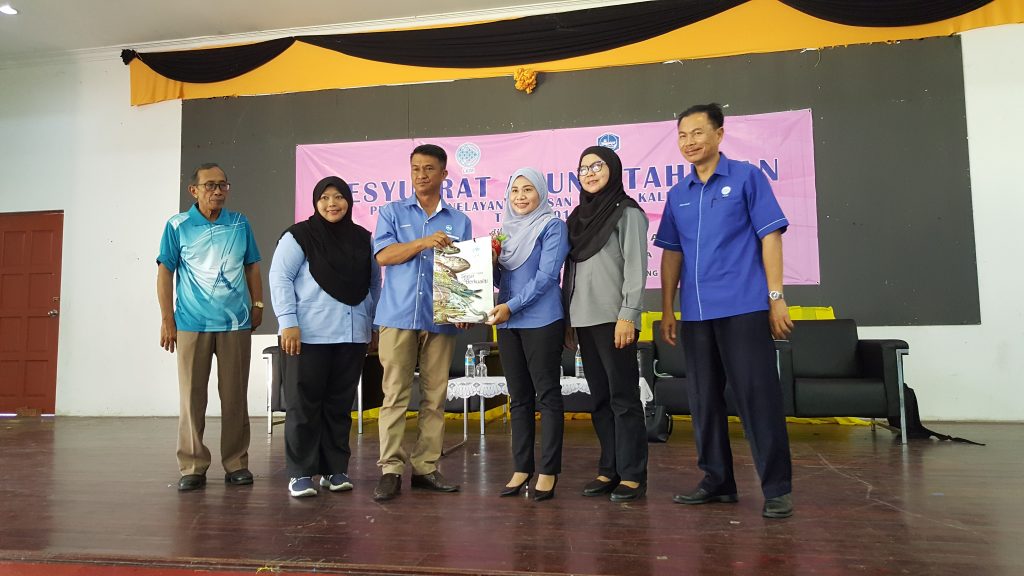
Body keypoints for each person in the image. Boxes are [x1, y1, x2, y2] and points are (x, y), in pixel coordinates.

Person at [655, 103, 795, 519]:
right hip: (696, 315)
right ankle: (717, 481)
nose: (689, 142)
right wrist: (667, 310)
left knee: (757, 397)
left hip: (743, 307)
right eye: (683, 135)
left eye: (698, 132)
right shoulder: (678, 194)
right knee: (703, 401)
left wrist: (776, 297)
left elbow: (771, 237)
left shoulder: (747, 177)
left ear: (719, 134)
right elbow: (671, 255)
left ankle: (776, 488)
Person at [371, 144, 473, 501]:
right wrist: (424, 242)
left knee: (434, 397)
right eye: (415, 168)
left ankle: (426, 467)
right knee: (394, 395)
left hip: (441, 319)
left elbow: (464, 269)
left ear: (444, 174)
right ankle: (390, 469)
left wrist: (463, 309)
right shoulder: (392, 212)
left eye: (429, 168)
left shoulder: (460, 220)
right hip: (397, 315)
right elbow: (384, 255)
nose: (421, 175)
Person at [269, 176, 381, 498]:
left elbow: (374, 284)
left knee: (339, 406)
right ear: (316, 202)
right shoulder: (298, 236)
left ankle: (335, 470)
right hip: (306, 335)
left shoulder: (363, 239)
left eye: (339, 197)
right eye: (325, 198)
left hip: (351, 334)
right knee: (303, 405)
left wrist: (372, 324)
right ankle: (300, 473)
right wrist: (288, 322)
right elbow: (280, 278)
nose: (332, 204)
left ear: (349, 201)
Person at [157, 163, 263, 492]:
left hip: (235, 323)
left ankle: (236, 463)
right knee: (192, 398)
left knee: (235, 397)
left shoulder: (239, 222)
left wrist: (258, 305)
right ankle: (192, 465)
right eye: (210, 185)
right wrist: (167, 319)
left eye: (222, 185)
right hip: (191, 323)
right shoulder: (178, 225)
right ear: (194, 190)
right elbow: (165, 272)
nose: (217, 191)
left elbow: (252, 266)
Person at [563, 146, 649, 502]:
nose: (590, 173)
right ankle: (609, 468)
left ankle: (632, 474)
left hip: (615, 320)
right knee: (599, 398)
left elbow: (636, 267)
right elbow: (569, 273)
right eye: (583, 168)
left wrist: (628, 315)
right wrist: (568, 321)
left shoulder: (627, 212)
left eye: (597, 166)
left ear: (613, 169)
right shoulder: (576, 218)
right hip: (583, 319)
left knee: (623, 398)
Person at [488, 168, 570, 502]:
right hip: (508, 325)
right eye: (515, 190)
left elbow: (547, 277)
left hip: (542, 320)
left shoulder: (553, 226)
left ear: (541, 193)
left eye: (528, 189)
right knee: (518, 397)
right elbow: (501, 281)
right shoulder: (504, 232)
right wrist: (492, 263)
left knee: (547, 395)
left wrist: (510, 307)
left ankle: (548, 471)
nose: (520, 197)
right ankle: (522, 467)